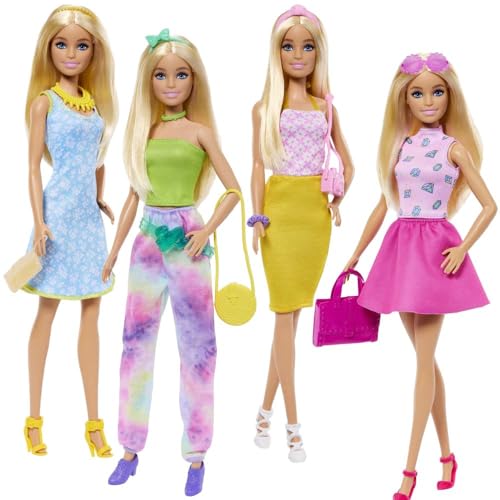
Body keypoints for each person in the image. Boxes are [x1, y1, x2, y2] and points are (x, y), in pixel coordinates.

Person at [344, 52, 497, 499]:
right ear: (405, 98)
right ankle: (448, 456)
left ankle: (409, 469)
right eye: (418, 93)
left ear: (450, 97)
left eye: (437, 92)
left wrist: (463, 247)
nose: (428, 101)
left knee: (423, 363)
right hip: (401, 250)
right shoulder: (401, 145)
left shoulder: (454, 148)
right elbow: (382, 205)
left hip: (434, 253)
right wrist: (356, 253)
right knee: (426, 361)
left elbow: (490, 205)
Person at [103, 29, 240, 496]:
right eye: (161, 75)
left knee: (198, 346)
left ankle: (196, 453)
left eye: (181, 75)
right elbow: (132, 197)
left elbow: (233, 190)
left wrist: (206, 230)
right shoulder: (143, 132)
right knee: (134, 343)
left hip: (188, 241)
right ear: (149, 80)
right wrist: (114, 250)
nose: (171, 83)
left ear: (194, 80)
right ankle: (129, 447)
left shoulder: (201, 132)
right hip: (146, 240)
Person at [250, 4, 354, 462]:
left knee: (290, 317)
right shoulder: (264, 108)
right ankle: (293, 426)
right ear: (276, 52)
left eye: (307, 46)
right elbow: (257, 166)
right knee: (282, 311)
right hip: (278, 213)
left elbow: (348, 162)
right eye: (288, 46)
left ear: (318, 52)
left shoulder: (324, 106)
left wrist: (335, 197)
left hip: (313, 216)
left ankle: (263, 412)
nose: (297, 55)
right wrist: (256, 217)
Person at [23, 4, 117, 458]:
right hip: (58, 217)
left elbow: (98, 159)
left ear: (94, 52)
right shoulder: (45, 101)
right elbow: (32, 168)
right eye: (62, 45)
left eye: (81, 46)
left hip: (88, 218)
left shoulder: (93, 102)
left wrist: (100, 196)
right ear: (49, 48)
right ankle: (33, 419)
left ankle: (93, 423)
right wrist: (39, 220)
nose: (71, 53)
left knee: (92, 313)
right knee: (47, 310)